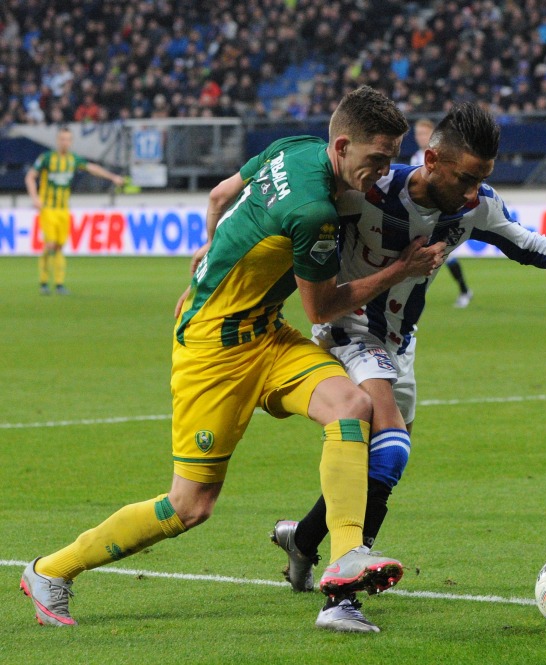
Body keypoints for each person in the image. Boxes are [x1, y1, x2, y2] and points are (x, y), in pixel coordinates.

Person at [19, 86, 446, 629]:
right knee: (189, 506)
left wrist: (208, 261)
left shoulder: (294, 146)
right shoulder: (313, 210)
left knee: (351, 404)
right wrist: (399, 271)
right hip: (213, 354)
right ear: (342, 146)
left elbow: (221, 195)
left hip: (265, 334)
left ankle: (345, 559)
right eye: (377, 160)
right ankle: (51, 570)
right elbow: (323, 307)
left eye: (390, 159)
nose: (384, 172)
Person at [271, 103, 546, 632]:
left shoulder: (474, 207)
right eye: (466, 178)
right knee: (390, 445)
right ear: (432, 159)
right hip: (348, 330)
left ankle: (304, 539)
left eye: (483, 179)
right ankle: (342, 600)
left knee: (378, 470)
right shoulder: (365, 191)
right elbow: (290, 229)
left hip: (398, 344)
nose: (474, 191)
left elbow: (529, 245)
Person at [25, 126, 125, 295]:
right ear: (58, 140)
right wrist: (35, 198)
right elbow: (30, 176)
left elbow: (93, 168)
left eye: (68, 139)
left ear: (71, 141)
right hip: (48, 208)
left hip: (64, 210)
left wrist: (113, 177)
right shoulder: (47, 158)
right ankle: (44, 282)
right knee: (50, 245)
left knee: (58, 247)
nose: (65, 142)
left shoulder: (73, 160)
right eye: (62, 139)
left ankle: (58, 284)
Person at [411, 117, 473, 308]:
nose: (421, 137)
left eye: (424, 133)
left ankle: (464, 290)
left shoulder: (442, 155)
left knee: (446, 256)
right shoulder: (415, 157)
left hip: (442, 213)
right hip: (422, 215)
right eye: (418, 134)